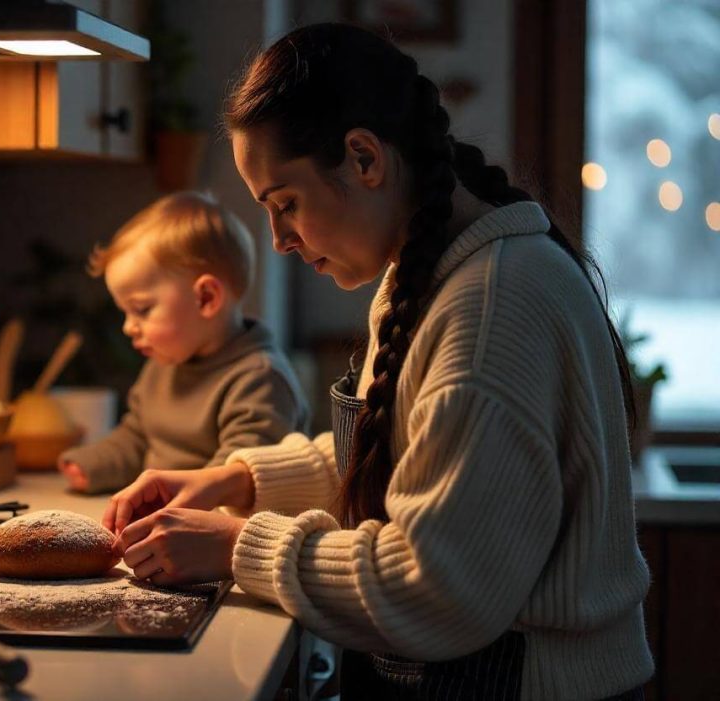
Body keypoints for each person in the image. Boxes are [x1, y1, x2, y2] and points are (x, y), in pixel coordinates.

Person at [101, 23, 653, 700]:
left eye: (286, 204)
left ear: (364, 158)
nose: (278, 241)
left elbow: (434, 587)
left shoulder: (491, 307)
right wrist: (232, 482)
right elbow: (413, 457)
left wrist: (238, 544)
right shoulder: (437, 270)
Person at [58, 191, 310, 494]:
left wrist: (173, 503)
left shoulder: (259, 378)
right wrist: (93, 464)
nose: (128, 327)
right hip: (170, 517)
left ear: (206, 298)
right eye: (124, 312)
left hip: (223, 530)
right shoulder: (163, 365)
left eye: (142, 310)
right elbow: (137, 437)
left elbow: (236, 476)